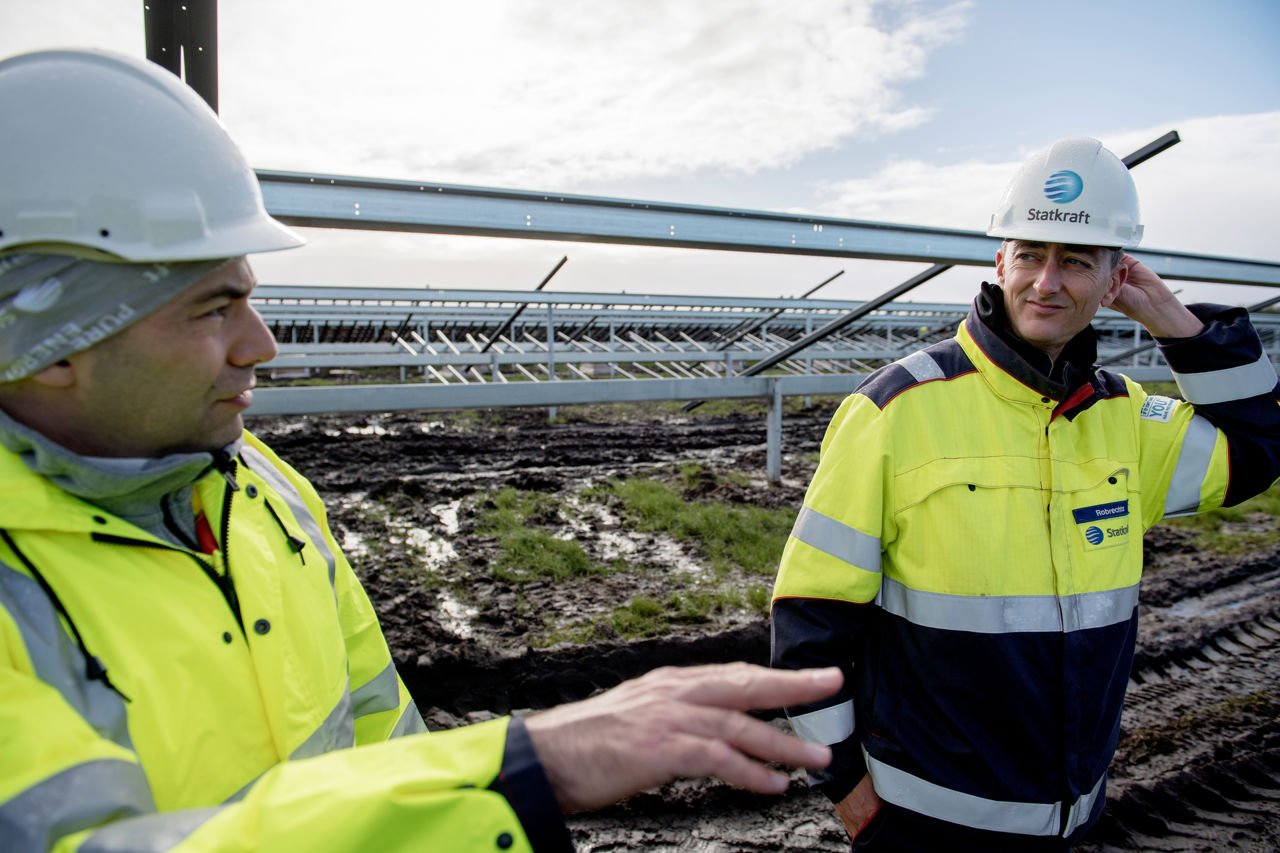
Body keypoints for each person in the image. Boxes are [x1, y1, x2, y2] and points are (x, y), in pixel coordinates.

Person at [0, 48, 843, 852]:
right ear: (54, 346)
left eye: (251, 302)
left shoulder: (265, 491)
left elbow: (379, 734)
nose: (261, 344)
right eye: (212, 309)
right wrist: (525, 767)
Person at [770, 137, 1280, 850]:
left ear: (1113, 281)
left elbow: (1258, 448)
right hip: (924, 823)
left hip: (1074, 818)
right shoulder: (896, 409)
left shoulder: (1125, 418)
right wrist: (852, 796)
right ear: (999, 261)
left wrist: (1173, 319)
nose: (1046, 282)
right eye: (1030, 254)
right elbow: (809, 621)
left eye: (1076, 261)